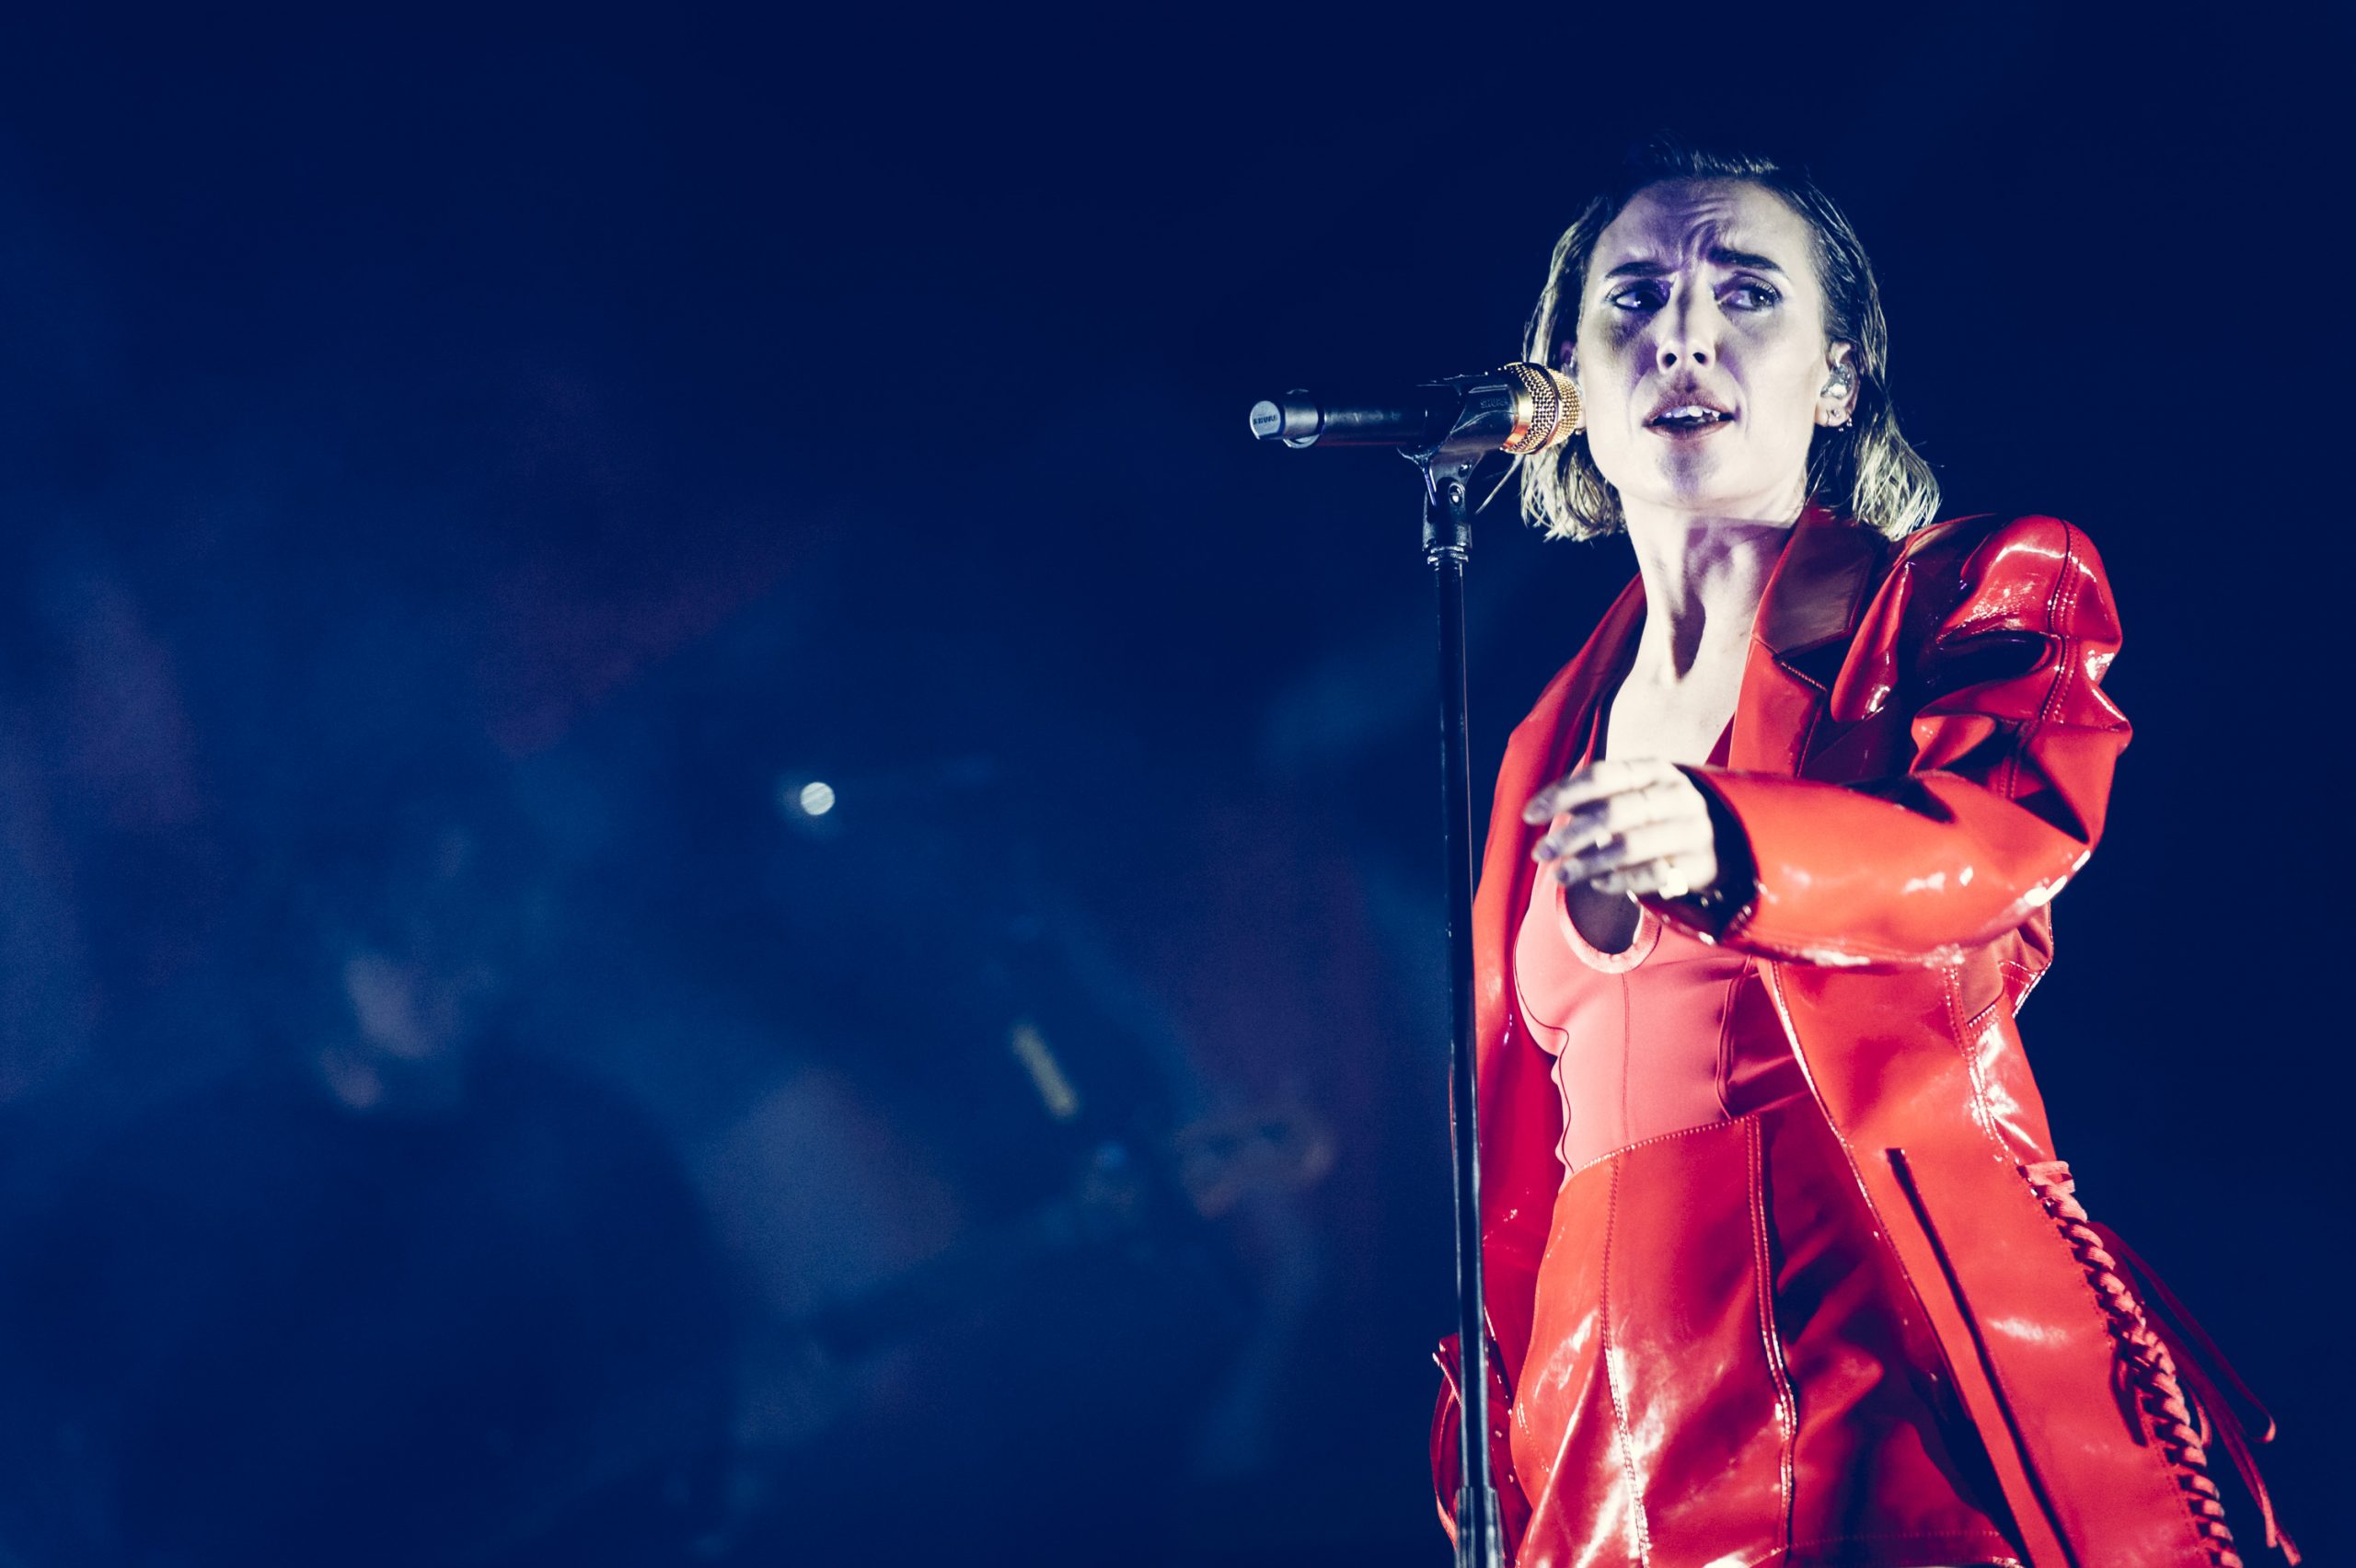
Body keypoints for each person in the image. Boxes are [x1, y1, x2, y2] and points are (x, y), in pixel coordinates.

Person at [1428, 144, 2293, 1568]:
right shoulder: (1539, 737)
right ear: (1566, 378)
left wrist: (1734, 837)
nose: (1683, 332)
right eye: (1632, 297)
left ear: (1837, 377)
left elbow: (1998, 845)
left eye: (1746, 292)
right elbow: (1520, 1164)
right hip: (1602, 1432)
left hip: (1860, 1361)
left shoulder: (1971, 598)